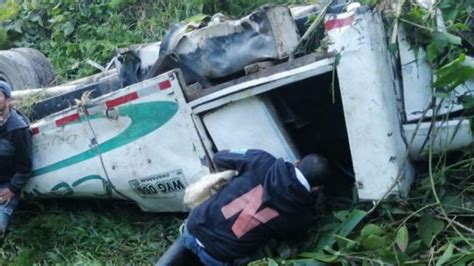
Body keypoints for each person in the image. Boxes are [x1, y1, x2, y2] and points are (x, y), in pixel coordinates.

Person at [156, 149, 330, 265]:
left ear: (297, 162)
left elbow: (220, 157)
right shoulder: (301, 217)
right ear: (316, 188)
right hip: (217, 258)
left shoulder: (262, 160)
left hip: (192, 229)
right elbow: (291, 239)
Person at [0, 81, 33, 244]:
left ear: (8, 101)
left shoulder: (18, 129)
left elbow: (25, 166)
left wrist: (12, 189)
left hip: (4, 185)